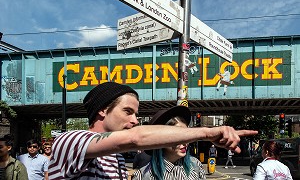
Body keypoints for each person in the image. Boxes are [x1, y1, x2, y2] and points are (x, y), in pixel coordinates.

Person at [48, 82, 257, 179]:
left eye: (136, 114)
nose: (134, 120)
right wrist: (207, 133)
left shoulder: (116, 158)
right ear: (103, 110)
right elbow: (135, 138)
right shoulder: (70, 140)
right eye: (128, 111)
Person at [132, 106, 206, 179]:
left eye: (186, 136)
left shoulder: (195, 165)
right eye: (178, 136)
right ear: (161, 139)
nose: (185, 142)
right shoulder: (143, 176)